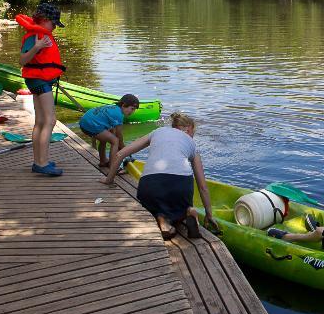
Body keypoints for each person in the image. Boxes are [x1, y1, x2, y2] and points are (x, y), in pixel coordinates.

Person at [101, 112, 219, 240]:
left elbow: (120, 154)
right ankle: (187, 211)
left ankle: (162, 219)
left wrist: (109, 180)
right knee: (181, 203)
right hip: (180, 186)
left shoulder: (157, 132)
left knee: (152, 206)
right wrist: (209, 214)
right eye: (193, 133)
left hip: (150, 185)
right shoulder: (191, 144)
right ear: (188, 128)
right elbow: (202, 186)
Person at [17, 2, 66, 176]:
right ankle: (42, 163)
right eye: (53, 23)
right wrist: (37, 47)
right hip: (39, 80)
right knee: (50, 121)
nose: (54, 27)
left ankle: (38, 161)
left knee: (40, 121)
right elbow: (23, 60)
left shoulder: (40, 32)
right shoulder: (34, 36)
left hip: (37, 80)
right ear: (44, 20)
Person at [79, 94, 139, 168]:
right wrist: (125, 151)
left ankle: (103, 161)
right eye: (132, 109)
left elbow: (113, 131)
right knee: (115, 141)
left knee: (105, 138)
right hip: (90, 125)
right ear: (123, 105)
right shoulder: (118, 114)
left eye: (134, 110)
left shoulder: (113, 108)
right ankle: (113, 167)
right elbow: (119, 137)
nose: (133, 112)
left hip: (84, 123)